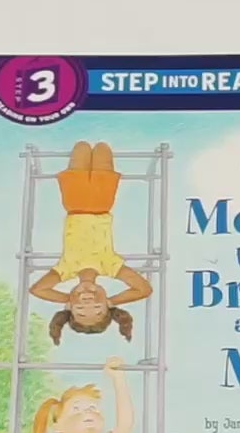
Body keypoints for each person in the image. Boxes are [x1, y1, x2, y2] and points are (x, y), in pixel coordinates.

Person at [29, 141, 153, 343]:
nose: (88, 301)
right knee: (103, 149)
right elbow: (144, 289)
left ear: (70, 307)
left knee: (82, 148)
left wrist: (66, 300)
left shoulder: (66, 269)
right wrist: (112, 301)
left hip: (74, 202)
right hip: (102, 201)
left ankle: (82, 310)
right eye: (97, 307)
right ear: (107, 306)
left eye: (80, 308)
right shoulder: (109, 266)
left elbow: (37, 289)